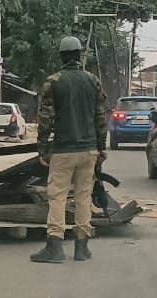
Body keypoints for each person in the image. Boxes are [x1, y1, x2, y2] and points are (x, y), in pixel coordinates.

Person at [30, 36, 107, 264]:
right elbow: (100, 118)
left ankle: (54, 246)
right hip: (88, 150)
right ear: (80, 55)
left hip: (63, 150)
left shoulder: (53, 82)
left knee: (57, 196)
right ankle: (82, 247)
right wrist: (101, 148)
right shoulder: (93, 81)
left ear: (62, 56)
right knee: (83, 196)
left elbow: (45, 119)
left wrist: (43, 149)